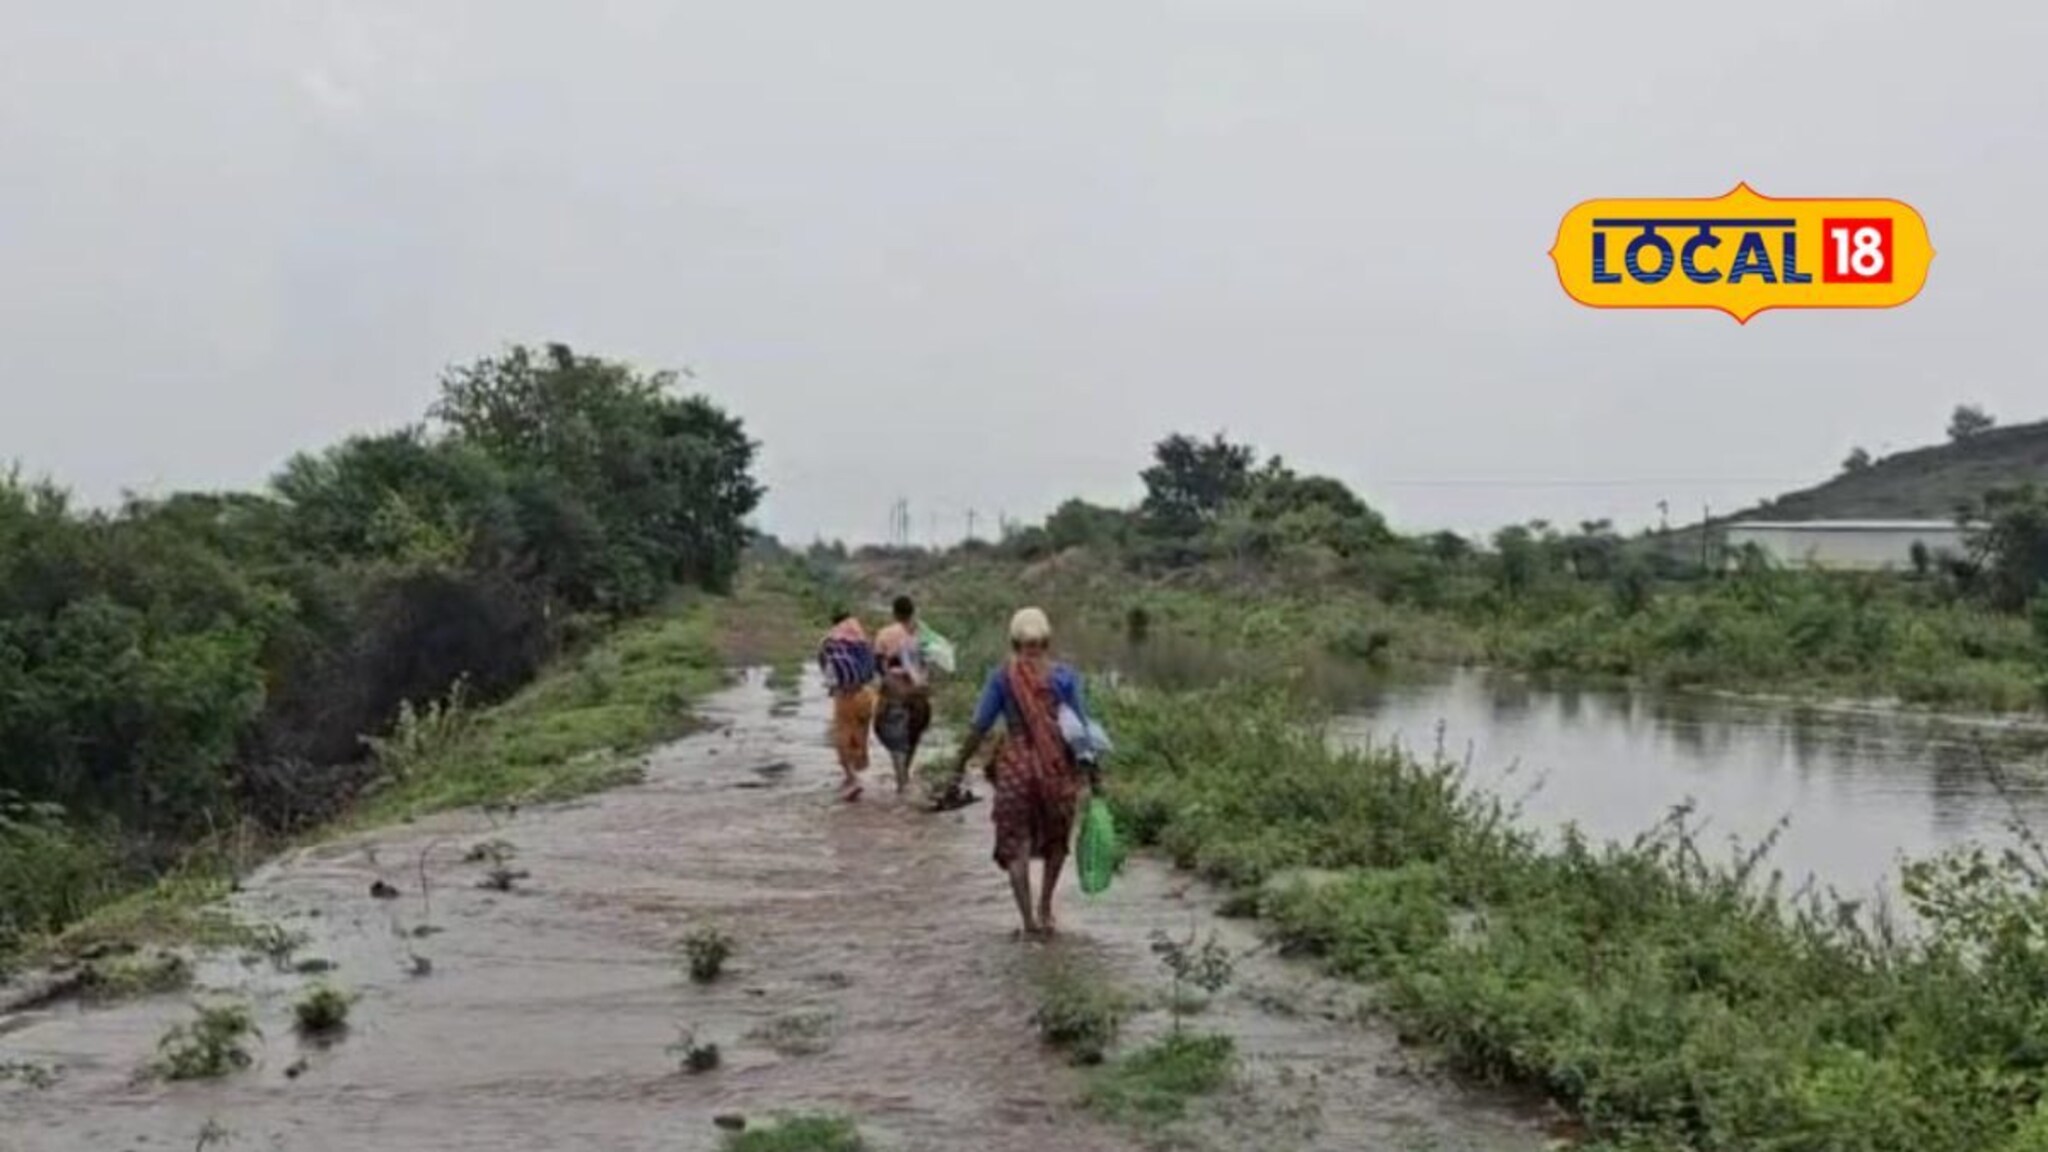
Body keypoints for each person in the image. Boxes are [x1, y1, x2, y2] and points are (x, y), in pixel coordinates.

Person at [946, 606, 1099, 939]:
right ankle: (1046, 908)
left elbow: (980, 726)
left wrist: (958, 764)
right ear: (1047, 639)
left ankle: (1028, 921)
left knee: (1017, 844)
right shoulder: (1065, 677)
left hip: (1015, 766)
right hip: (1056, 766)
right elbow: (1081, 727)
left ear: (1014, 640)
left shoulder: (1002, 676)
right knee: (1056, 839)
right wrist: (1094, 773)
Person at [872, 595, 934, 795]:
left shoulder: (884, 634)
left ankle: (902, 784)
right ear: (912, 612)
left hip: (896, 694)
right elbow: (929, 665)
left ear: (895, 613)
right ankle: (905, 775)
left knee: (895, 739)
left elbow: (878, 666)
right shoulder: (922, 635)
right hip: (919, 695)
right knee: (913, 735)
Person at [816, 610, 877, 801]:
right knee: (860, 734)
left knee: (842, 736)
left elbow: (824, 666)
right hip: (866, 695)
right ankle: (859, 767)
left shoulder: (829, 642)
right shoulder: (862, 640)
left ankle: (852, 778)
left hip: (844, 696)